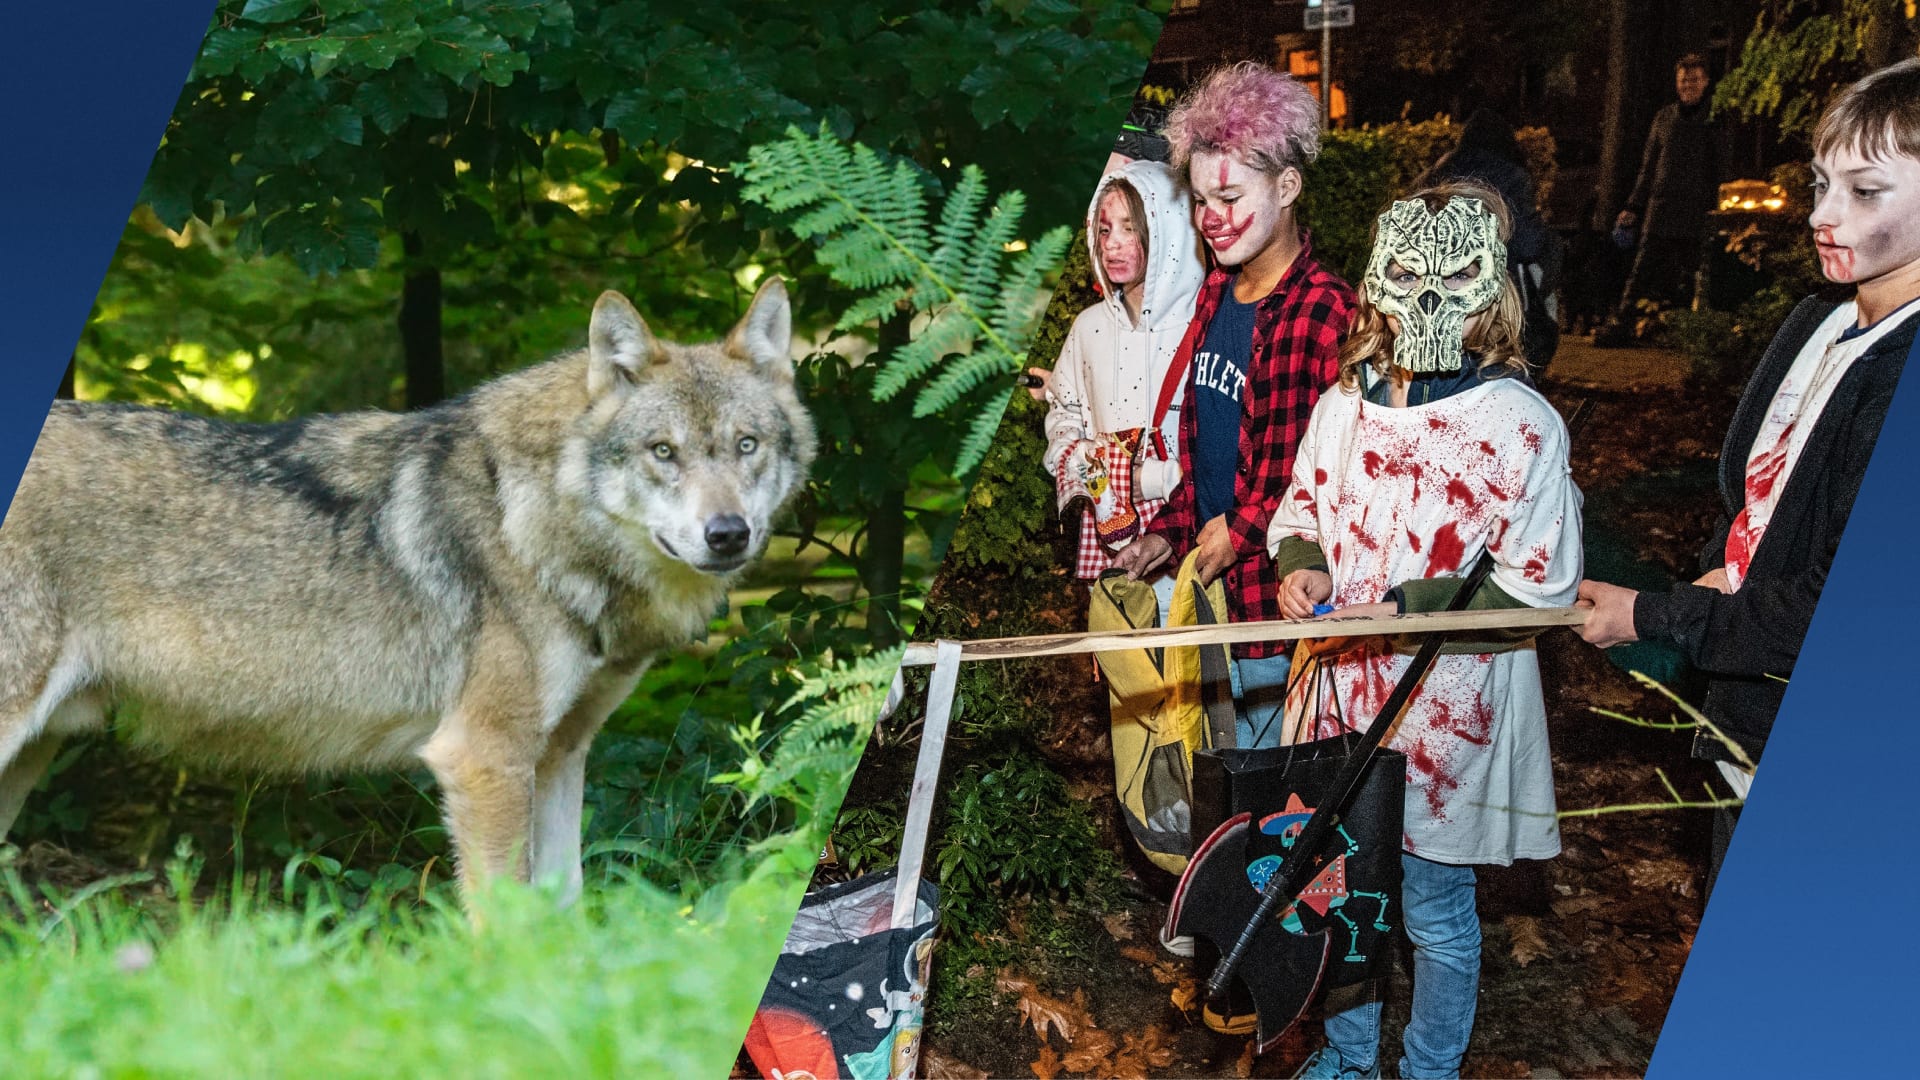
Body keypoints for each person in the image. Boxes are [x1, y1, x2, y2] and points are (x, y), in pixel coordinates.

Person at [1576, 59, 1920, 890]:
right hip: (1746, 720)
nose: (1822, 215)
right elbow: (1760, 511)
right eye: (1821, 183)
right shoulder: (1819, 319)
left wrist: (1654, 615)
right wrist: (1714, 576)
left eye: (1865, 192)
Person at [1267, 184, 1583, 1080]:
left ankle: (1431, 1068)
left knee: (1436, 910)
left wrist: (1411, 608)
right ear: (1377, 278)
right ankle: (1348, 1057)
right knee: (1341, 892)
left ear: (1492, 288)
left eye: (1452, 276)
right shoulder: (1343, 407)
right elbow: (1301, 512)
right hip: (1340, 697)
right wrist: (1304, 565)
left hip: (1448, 715)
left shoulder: (1519, 426)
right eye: (1406, 273)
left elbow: (1540, 588)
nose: (1427, 298)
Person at [1111, 62, 1356, 751]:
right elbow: (1211, 453)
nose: (1210, 219)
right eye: (1198, 200)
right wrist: (1169, 531)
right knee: (1217, 792)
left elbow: (1335, 479)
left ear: (1287, 186)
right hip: (1216, 609)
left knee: (1277, 799)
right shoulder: (1217, 294)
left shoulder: (1327, 314)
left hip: (1278, 620)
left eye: (1228, 196)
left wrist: (1242, 531)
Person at [1043, 161, 1203, 601]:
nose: (1112, 244)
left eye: (1129, 228)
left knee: (1184, 637)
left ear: (1166, 231)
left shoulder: (1203, 323)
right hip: (1109, 535)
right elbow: (1063, 409)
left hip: (1185, 536)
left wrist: (1153, 478)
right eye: (1104, 229)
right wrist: (1085, 465)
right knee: (1119, 637)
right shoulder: (1089, 326)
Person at [1595, 53, 1731, 344]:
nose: (1688, 85)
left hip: (1697, 211)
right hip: (1661, 208)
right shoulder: (1664, 118)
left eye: (1694, 80)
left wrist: (1718, 208)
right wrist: (1634, 205)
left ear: (1706, 82)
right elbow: (1649, 166)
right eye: (1683, 80)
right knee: (1641, 272)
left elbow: (1721, 168)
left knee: (1695, 275)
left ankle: (1692, 333)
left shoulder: (1716, 119)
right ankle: (1622, 325)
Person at [1416, 110, 1561, 368]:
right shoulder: (1513, 176)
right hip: (1497, 287)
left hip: (1439, 286)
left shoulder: (1437, 173)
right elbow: (1530, 244)